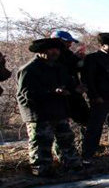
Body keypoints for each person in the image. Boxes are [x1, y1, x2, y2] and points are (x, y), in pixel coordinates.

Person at [16, 38, 83, 176]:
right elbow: (27, 94)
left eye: (57, 49)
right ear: (41, 51)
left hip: (59, 110)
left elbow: (68, 84)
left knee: (66, 139)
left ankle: (71, 164)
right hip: (39, 114)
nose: (55, 52)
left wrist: (76, 89)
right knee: (41, 142)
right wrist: (52, 92)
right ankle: (42, 169)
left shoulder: (59, 67)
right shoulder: (29, 70)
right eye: (51, 50)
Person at [52, 30, 89, 128]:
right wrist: (74, 58)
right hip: (60, 95)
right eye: (67, 42)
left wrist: (81, 61)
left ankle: (86, 142)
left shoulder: (68, 53)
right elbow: (60, 70)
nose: (69, 44)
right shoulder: (51, 55)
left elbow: (74, 69)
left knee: (86, 119)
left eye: (70, 42)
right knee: (61, 125)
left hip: (74, 92)